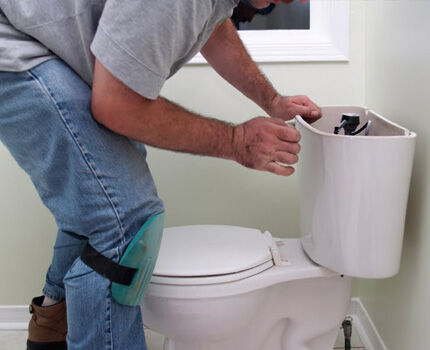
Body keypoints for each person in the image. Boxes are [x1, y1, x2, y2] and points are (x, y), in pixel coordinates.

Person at [0, 0, 321, 349]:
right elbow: (116, 104)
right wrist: (237, 141)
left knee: (100, 192)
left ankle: (51, 332)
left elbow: (212, 23)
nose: (284, 3)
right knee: (121, 216)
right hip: (14, 43)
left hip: (34, 37)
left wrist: (271, 99)